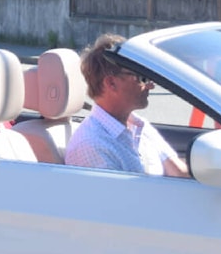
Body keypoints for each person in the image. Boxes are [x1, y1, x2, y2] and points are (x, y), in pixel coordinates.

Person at [65, 33, 189, 177]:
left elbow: (179, 171)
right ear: (111, 83)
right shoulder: (91, 145)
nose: (150, 85)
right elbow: (119, 199)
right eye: (141, 77)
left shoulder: (139, 125)